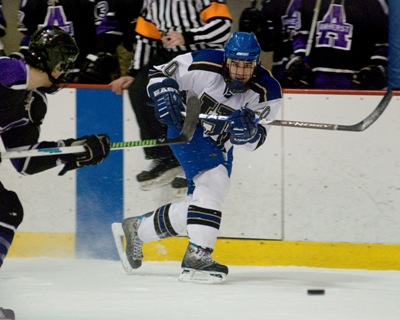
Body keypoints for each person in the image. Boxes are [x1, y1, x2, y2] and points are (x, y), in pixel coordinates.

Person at [118, 32, 282, 283]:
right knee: (215, 181)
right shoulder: (203, 62)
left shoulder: (268, 91)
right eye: (235, 64)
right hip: (188, 128)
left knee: (203, 201)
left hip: (220, 145)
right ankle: (198, 254)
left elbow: (254, 142)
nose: (240, 72)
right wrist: (164, 92)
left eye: (247, 66)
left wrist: (246, 133)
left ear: (256, 65)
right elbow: (158, 73)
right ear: (226, 60)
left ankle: (138, 229)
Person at [0, 26, 111, 268]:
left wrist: (72, 150)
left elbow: (24, 161)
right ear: (57, 64)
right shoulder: (8, 69)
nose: (66, 72)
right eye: (66, 65)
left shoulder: (33, 101)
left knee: (6, 211)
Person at [110, 0, 232, 194]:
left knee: (194, 97)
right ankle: (165, 157)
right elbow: (146, 38)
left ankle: (198, 162)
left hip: (205, 55)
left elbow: (223, 27)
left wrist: (187, 36)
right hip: (171, 59)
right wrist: (134, 73)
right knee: (141, 88)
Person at [282, 0, 389, 89]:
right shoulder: (311, 2)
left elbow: (383, 40)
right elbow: (300, 33)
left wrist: (376, 66)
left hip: (355, 84)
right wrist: (298, 58)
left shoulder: (374, 3)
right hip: (315, 82)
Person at [17, 0, 122, 84]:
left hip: (85, 75)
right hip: (43, 78)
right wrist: (24, 58)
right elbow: (30, 35)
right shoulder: (28, 3)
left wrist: (97, 59)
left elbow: (107, 31)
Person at [239, 0, 302, 84]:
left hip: (311, 73)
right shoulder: (270, 3)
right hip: (280, 71)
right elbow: (268, 44)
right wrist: (254, 29)